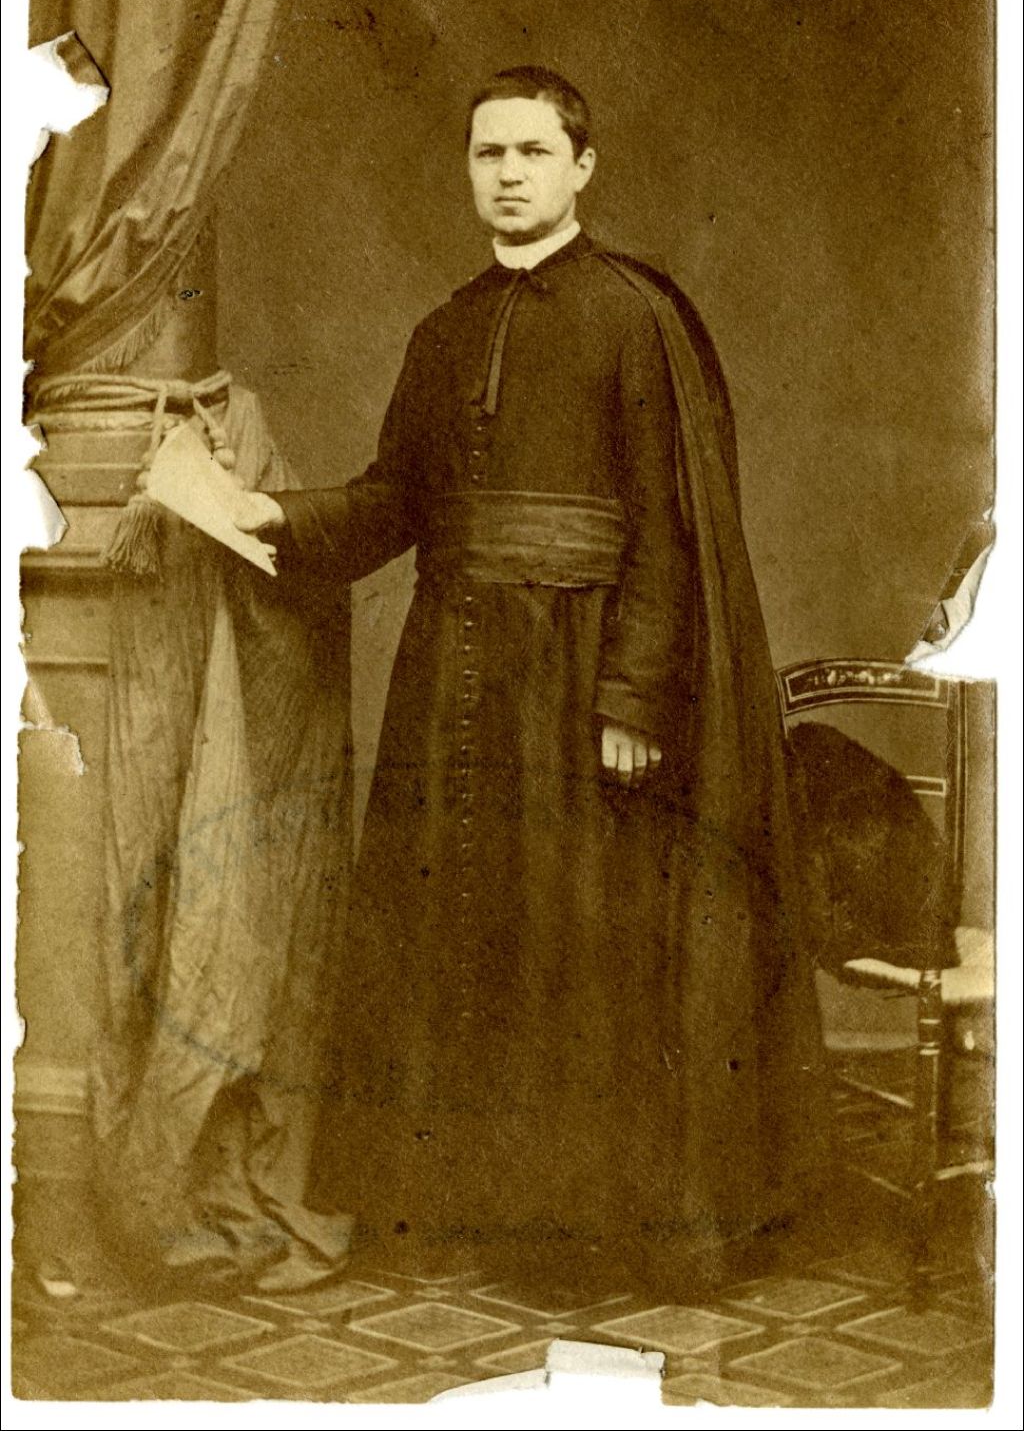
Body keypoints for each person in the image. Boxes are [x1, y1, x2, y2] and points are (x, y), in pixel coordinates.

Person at [233, 66, 826, 1299]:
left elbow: (666, 529)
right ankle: (456, 1215)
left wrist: (630, 702)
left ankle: (582, 1238)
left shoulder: (631, 316)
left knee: (576, 952)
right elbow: (393, 502)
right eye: (487, 153)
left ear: (581, 166)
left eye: (532, 152)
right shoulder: (442, 331)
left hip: (579, 677)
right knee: (456, 938)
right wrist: (263, 513)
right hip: (451, 671)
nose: (507, 174)